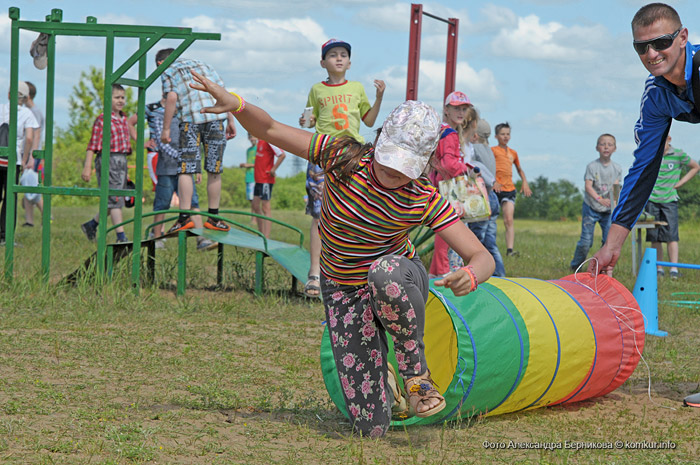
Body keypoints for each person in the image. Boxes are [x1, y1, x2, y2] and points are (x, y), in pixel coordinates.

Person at [188, 71, 495, 437]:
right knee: (371, 430)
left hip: (397, 279)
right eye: (388, 164)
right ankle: (384, 386)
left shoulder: (421, 197)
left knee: (384, 271)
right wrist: (237, 104)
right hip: (344, 288)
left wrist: (473, 273)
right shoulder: (342, 156)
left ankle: (416, 375)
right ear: (379, 142)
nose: (394, 175)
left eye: (404, 170)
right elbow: (270, 129)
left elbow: (482, 255)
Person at [589, 2, 699, 409]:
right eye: (642, 48)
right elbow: (644, 167)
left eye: (662, 42)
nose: (652, 54)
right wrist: (613, 243)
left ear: (683, 37)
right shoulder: (656, 96)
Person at [299, 38, 386, 298]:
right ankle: (315, 272)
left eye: (343, 54)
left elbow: (368, 119)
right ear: (323, 62)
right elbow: (308, 120)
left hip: (352, 156)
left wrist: (379, 97)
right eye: (333, 54)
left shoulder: (358, 88)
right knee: (319, 215)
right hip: (322, 155)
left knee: (355, 213)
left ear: (349, 62)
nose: (339, 58)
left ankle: (354, 272)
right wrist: (306, 120)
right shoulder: (316, 89)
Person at [156, 48, 236, 234]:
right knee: (214, 168)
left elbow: (172, 97)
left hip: (190, 120)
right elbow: (223, 93)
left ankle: (184, 217)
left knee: (187, 168)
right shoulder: (203, 65)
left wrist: (166, 128)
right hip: (216, 118)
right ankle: (214, 218)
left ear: (160, 63)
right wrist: (231, 120)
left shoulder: (167, 70)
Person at [142, 97, 216, 251]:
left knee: (193, 203)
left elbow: (194, 143)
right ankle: (157, 238)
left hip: (185, 170)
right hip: (165, 168)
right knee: (162, 204)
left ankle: (201, 238)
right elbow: (160, 142)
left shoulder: (187, 117)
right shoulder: (157, 115)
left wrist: (196, 168)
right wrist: (141, 142)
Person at [427, 91, 476, 277]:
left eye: (464, 109)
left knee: (445, 227)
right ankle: (442, 269)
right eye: (456, 108)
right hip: (449, 187)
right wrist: (464, 168)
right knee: (447, 228)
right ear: (446, 109)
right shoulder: (450, 134)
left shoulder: (442, 130)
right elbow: (448, 163)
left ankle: (436, 270)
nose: (461, 112)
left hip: (439, 184)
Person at [80, 84, 136, 243]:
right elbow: (93, 145)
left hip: (121, 161)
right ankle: (121, 237)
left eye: (122, 97)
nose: (121, 101)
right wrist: (87, 167)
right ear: (108, 99)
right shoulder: (103, 119)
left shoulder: (123, 118)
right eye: (117, 97)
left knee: (114, 199)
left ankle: (91, 225)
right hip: (108, 160)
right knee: (115, 199)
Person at [644, 136, 699, 278]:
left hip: (669, 200)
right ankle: (658, 269)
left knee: (671, 236)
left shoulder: (678, 154)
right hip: (652, 199)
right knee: (655, 237)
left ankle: (673, 269)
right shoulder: (651, 154)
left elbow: (695, 167)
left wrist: (681, 183)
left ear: (669, 139)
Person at [570, 134, 622, 271]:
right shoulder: (592, 166)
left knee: (608, 241)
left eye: (610, 144)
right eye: (603, 144)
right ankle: (576, 266)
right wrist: (600, 199)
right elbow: (588, 186)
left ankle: (602, 268)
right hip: (591, 207)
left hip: (607, 211)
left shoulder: (616, 168)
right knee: (586, 242)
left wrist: (614, 205)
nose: (606, 147)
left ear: (615, 148)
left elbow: (615, 189)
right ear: (597, 147)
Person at [0, 81, 38, 245]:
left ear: (9, 94)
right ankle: (5, 236)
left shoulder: (1, 108)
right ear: (26, 97)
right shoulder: (27, 114)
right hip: (13, 160)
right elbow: (29, 137)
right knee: (10, 198)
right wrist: (24, 159)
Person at [470, 118, 506, 277]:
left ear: (475, 134)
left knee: (476, 243)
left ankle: (475, 272)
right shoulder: (488, 149)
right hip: (493, 198)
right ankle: (499, 274)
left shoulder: (474, 148)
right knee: (490, 242)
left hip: (482, 198)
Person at [491, 122, 531, 257]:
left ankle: (509, 250)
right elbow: (488, 167)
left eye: (508, 134)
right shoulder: (493, 150)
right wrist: (493, 181)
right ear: (496, 136)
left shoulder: (513, 153)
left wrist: (525, 182)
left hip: (509, 189)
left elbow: (520, 169)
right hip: (495, 189)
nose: (505, 136)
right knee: (490, 220)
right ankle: (490, 247)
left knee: (508, 219)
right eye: (502, 134)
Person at [251, 138, 285, 238]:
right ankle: (261, 233)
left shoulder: (269, 141)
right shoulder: (259, 141)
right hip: (258, 180)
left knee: (265, 207)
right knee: (255, 205)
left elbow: (282, 155)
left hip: (266, 180)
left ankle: (266, 237)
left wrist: (273, 169)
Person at [22, 81, 44, 227]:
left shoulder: (33, 112)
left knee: (32, 187)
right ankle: (29, 220)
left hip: (32, 155)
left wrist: (31, 157)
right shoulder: (31, 111)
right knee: (27, 186)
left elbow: (35, 135)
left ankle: (46, 214)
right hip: (28, 154)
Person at [239, 133, 258, 222]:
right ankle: (253, 217)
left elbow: (260, 164)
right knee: (251, 199)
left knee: (255, 199)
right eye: (250, 137)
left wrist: (248, 165)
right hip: (249, 176)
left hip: (256, 177)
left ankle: (254, 218)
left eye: (253, 136)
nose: (252, 138)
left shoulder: (259, 149)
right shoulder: (248, 150)